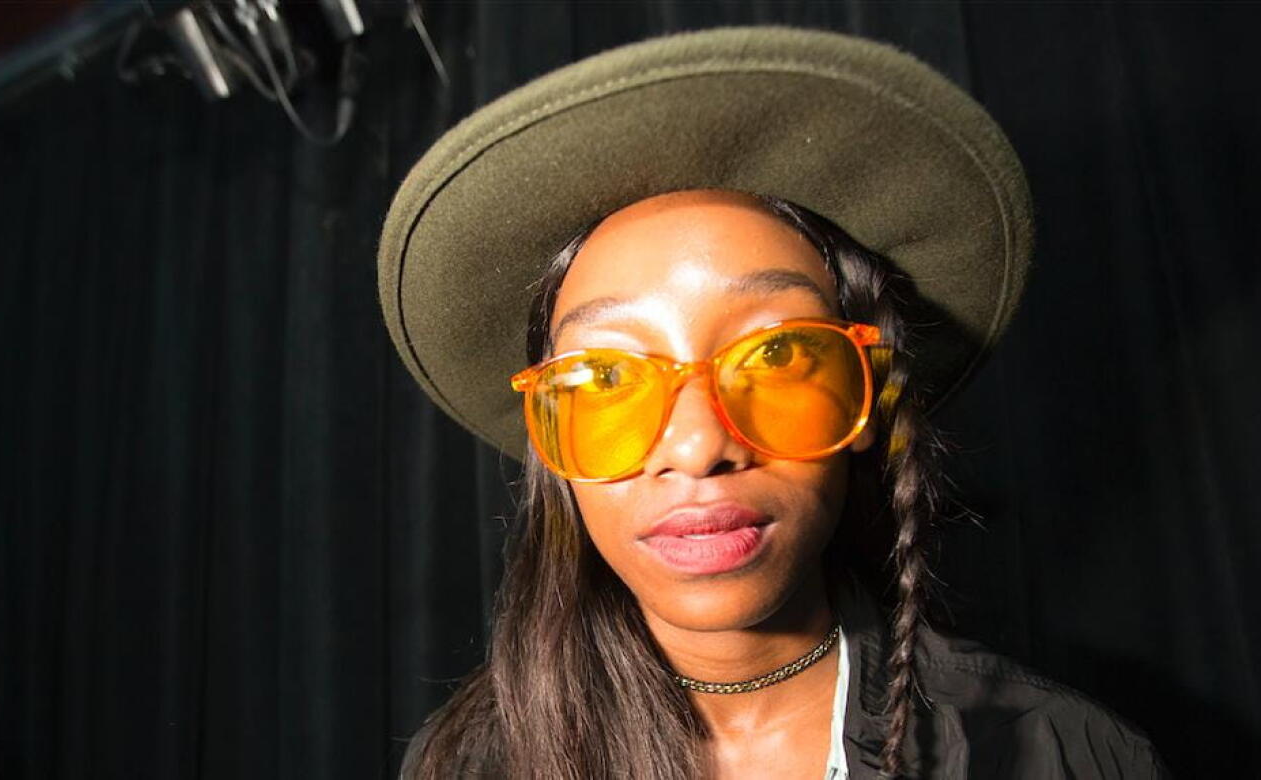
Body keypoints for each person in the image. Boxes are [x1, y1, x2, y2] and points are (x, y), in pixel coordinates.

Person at [379, 27, 1165, 778]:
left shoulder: (1065, 756)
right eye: (606, 376)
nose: (698, 446)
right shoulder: (465, 764)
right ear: (551, 431)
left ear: (866, 393)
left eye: (779, 353)